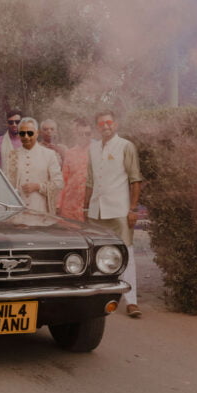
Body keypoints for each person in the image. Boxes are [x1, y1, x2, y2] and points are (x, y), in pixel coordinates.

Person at [84, 110, 143, 318]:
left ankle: (132, 301)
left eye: (109, 123)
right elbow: (90, 181)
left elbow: (135, 179)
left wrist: (133, 209)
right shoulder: (92, 148)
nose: (105, 126)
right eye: (101, 124)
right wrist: (85, 208)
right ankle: (97, 297)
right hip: (96, 210)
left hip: (119, 210)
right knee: (95, 253)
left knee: (126, 252)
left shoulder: (126, 146)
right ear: (97, 127)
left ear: (115, 124)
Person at [6, 118, 63, 214]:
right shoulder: (13, 155)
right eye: (22, 133)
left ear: (36, 133)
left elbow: (58, 183)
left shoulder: (49, 154)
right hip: (19, 211)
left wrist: (38, 186)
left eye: (30, 133)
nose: (26, 137)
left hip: (41, 210)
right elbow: (8, 184)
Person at [57, 119, 92, 221]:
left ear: (92, 135)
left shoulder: (97, 152)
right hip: (69, 207)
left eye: (87, 134)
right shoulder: (69, 153)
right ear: (76, 134)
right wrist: (58, 204)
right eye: (81, 134)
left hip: (88, 208)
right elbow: (63, 180)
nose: (84, 136)